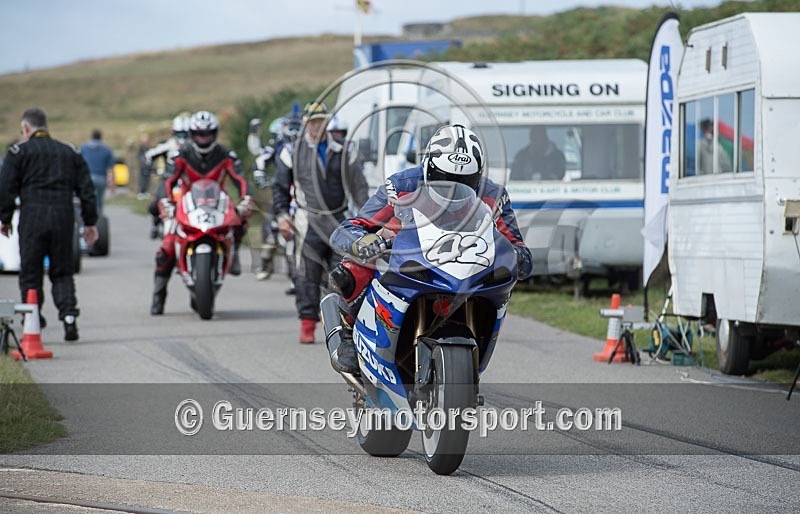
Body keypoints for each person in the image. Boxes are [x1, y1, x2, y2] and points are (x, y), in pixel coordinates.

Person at [327, 124, 534, 373]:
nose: (453, 187)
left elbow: (515, 241)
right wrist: (362, 241)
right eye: (444, 179)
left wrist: (519, 256)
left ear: (477, 176)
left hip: (465, 263)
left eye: (464, 180)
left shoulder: (494, 195)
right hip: (413, 256)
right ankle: (348, 332)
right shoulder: (401, 185)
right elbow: (353, 226)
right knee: (352, 268)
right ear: (428, 169)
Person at [272, 101, 369, 344]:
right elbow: (280, 189)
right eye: (313, 121)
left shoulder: (345, 150)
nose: (318, 125)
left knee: (346, 272)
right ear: (306, 123)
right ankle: (307, 323)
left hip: (340, 218)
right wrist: (283, 218)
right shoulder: (291, 151)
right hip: (308, 219)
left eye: (322, 120)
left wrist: (369, 222)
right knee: (307, 272)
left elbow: (359, 188)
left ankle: (347, 323)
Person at [0, 108, 99, 341]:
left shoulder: (18, 153)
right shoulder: (69, 152)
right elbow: (87, 190)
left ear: (26, 129)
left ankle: (32, 318)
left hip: (32, 217)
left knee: (31, 271)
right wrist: (90, 222)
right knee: (62, 272)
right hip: (63, 217)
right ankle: (69, 317)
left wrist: (4, 218)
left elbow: (5, 188)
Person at [150, 110, 253, 315]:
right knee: (166, 249)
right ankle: (158, 295)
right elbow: (168, 181)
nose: (203, 138)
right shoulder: (181, 155)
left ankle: (234, 254)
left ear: (215, 133)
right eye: (199, 134)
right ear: (192, 134)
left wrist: (246, 200)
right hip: (187, 204)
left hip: (218, 201)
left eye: (207, 134)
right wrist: (166, 201)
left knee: (240, 220)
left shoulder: (226, 155)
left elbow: (241, 180)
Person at [252, 113, 302, 285]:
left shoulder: (310, 145)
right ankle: (266, 263)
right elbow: (261, 160)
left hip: (304, 194)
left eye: (298, 128)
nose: (295, 132)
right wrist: (260, 176)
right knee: (271, 228)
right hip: (283, 191)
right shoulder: (278, 145)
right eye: (292, 128)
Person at [146, 114, 191, 239]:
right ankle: (155, 222)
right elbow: (149, 155)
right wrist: (152, 168)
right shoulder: (167, 145)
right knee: (155, 204)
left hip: (189, 179)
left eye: (185, 134)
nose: (182, 138)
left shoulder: (194, 147)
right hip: (169, 177)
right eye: (179, 134)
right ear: (173, 132)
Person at [80, 128, 116, 214]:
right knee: (99, 201)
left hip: (88, 178)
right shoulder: (107, 150)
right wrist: (112, 184)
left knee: (87, 199)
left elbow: (79, 164)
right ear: (101, 137)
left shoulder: (84, 148)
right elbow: (111, 169)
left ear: (92, 136)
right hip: (101, 178)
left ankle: (88, 218)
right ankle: (98, 220)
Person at [136, 133, 154, 200]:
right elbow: (140, 157)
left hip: (148, 166)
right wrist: (143, 163)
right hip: (143, 166)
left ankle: (145, 192)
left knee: (147, 180)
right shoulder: (141, 147)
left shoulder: (149, 147)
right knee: (142, 180)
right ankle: (141, 192)